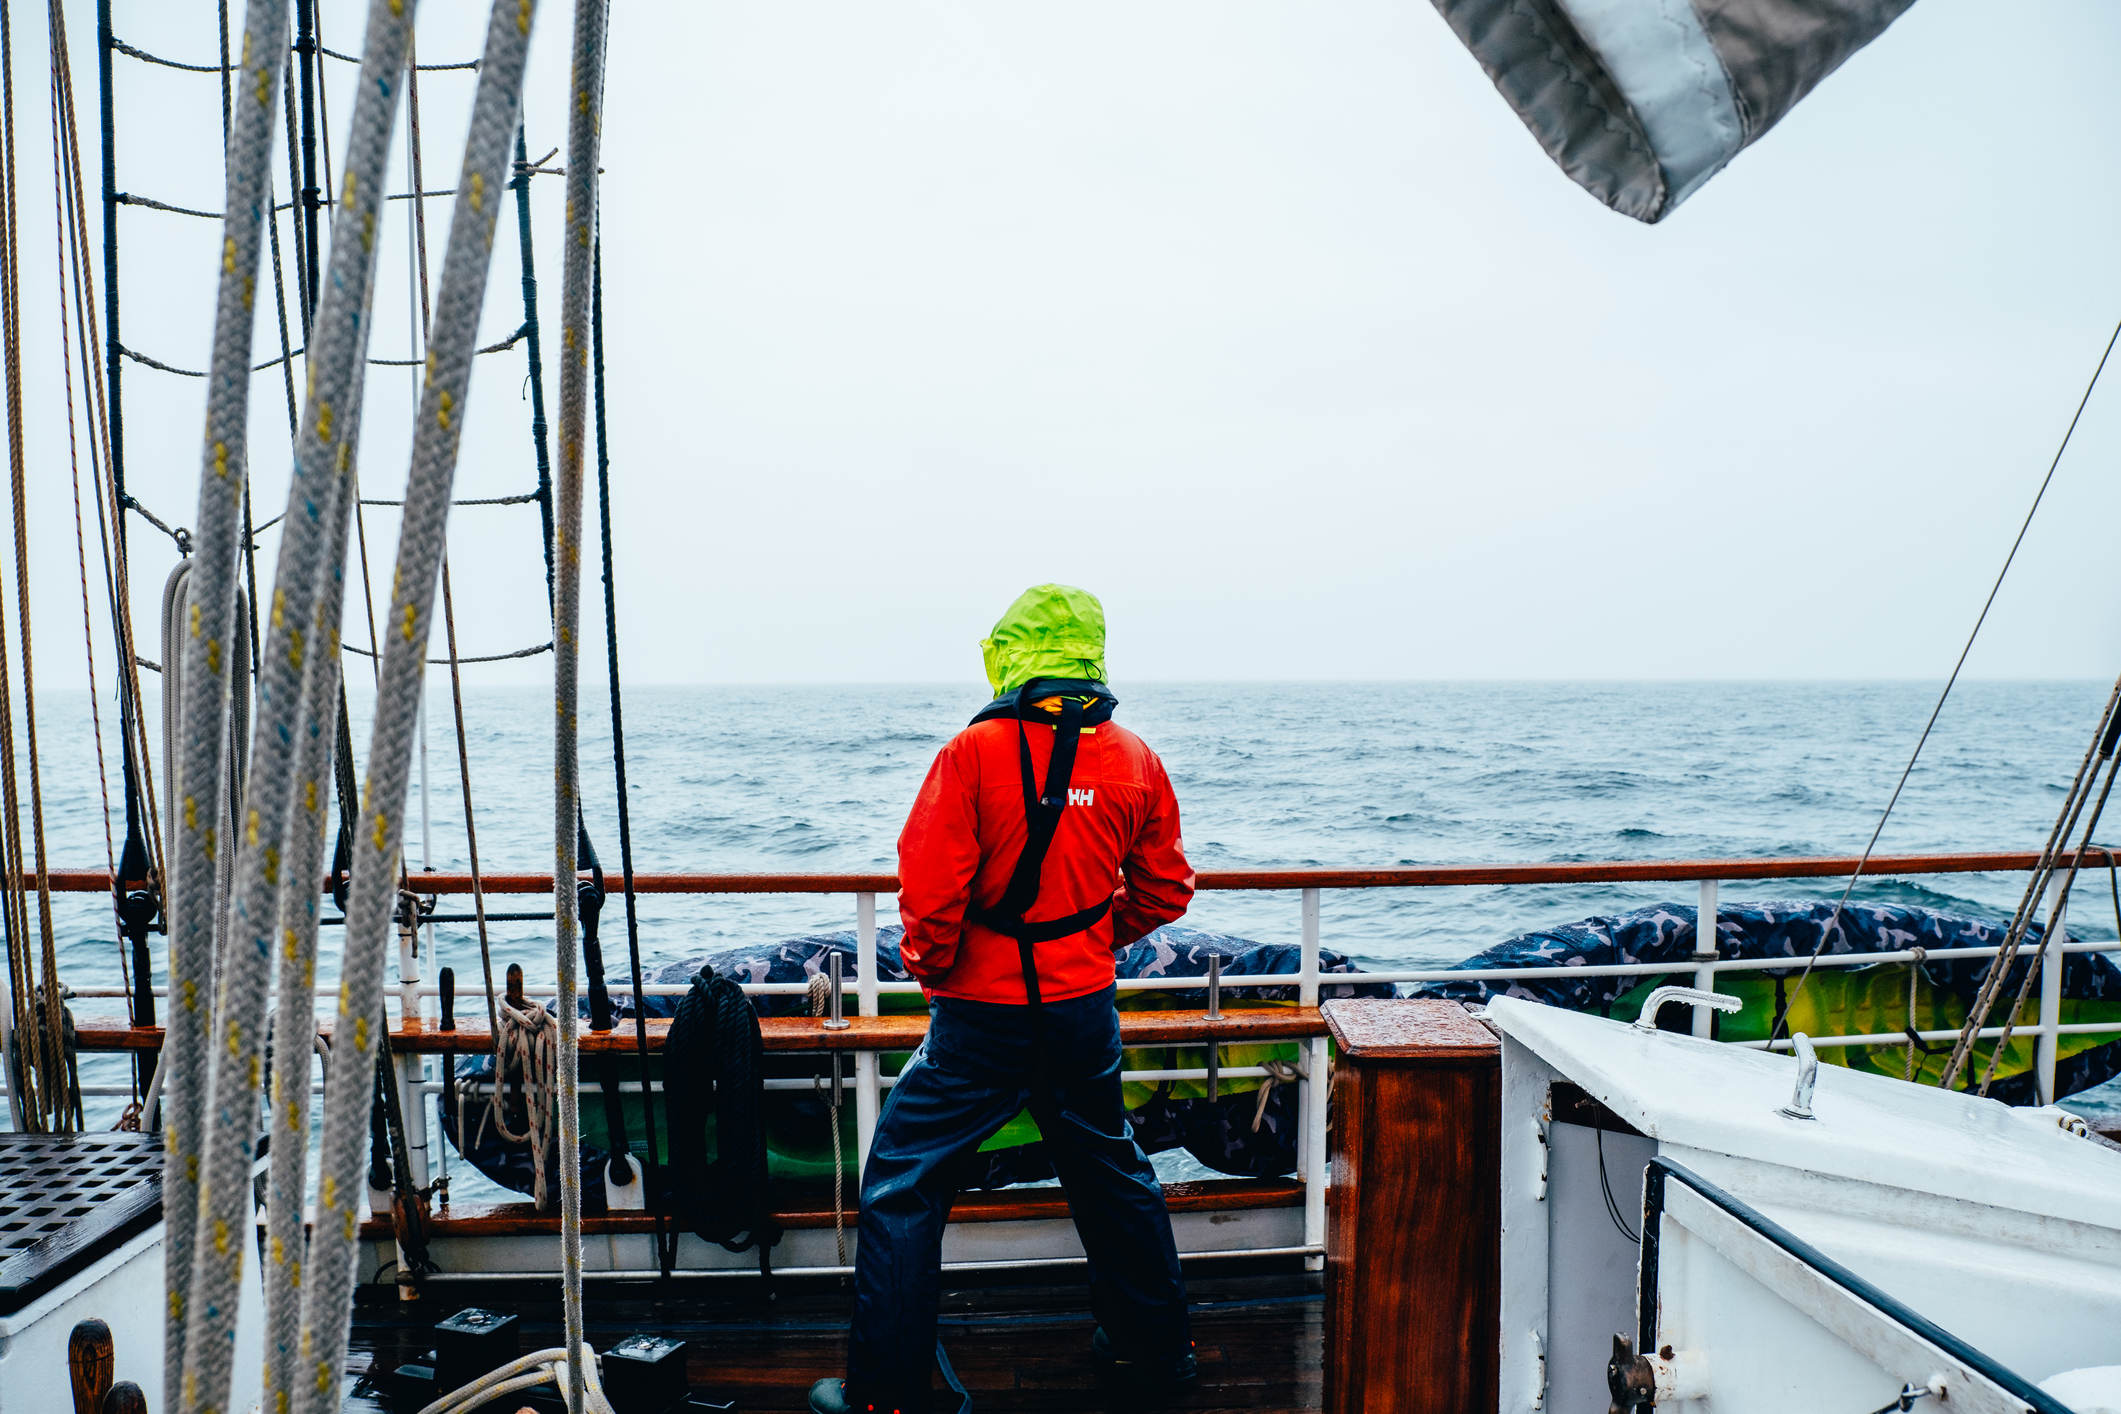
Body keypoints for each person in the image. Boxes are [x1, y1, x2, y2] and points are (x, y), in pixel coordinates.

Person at [809, 584, 1199, 1414]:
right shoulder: (1134, 758)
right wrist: (1088, 938)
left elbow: (930, 895)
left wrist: (938, 970)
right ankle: (1155, 1352)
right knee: (1111, 1170)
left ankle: (886, 1394)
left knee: (903, 1185)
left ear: (1008, 655)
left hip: (979, 1018)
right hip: (1083, 1007)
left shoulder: (970, 754)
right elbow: (1165, 892)